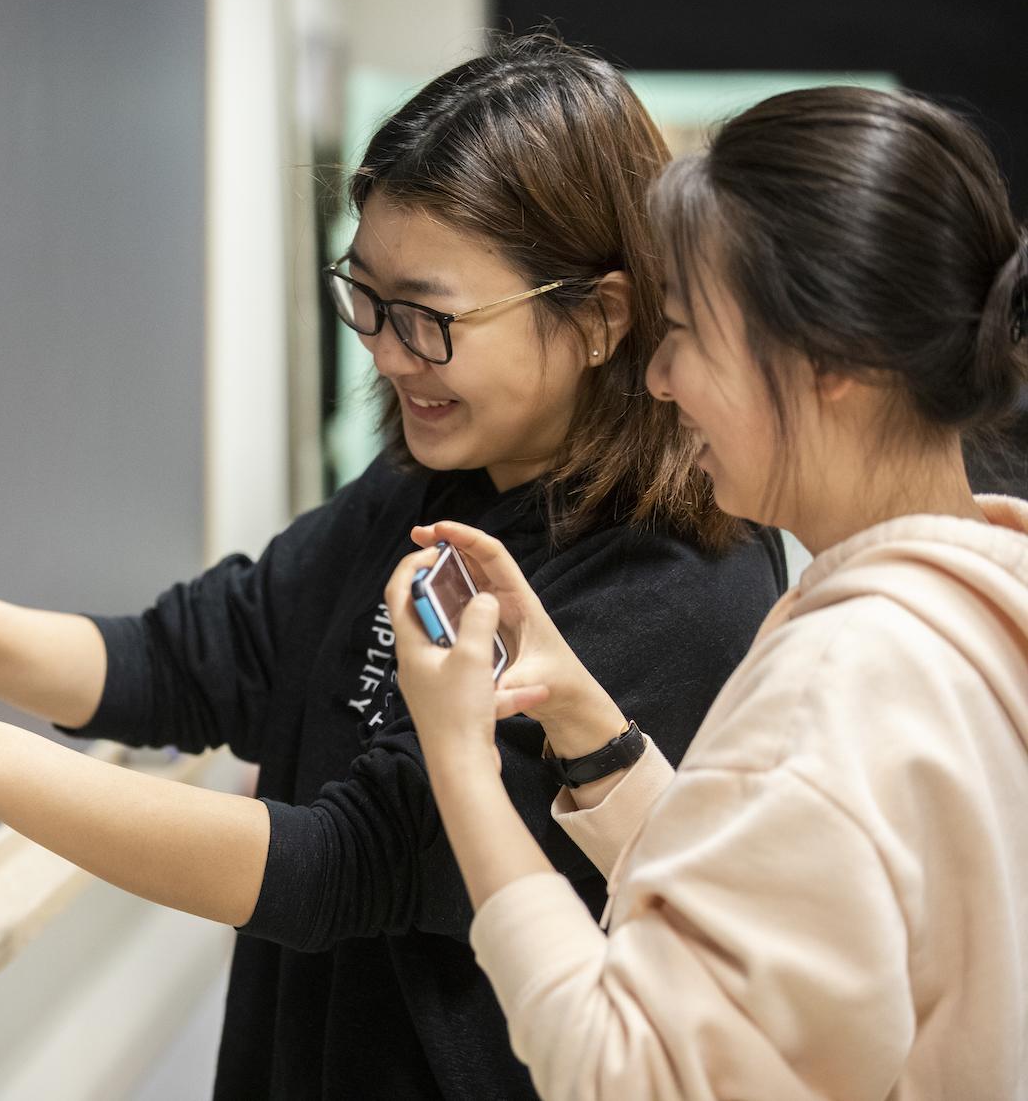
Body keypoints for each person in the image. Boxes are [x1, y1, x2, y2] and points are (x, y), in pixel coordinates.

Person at [0, 36, 787, 1098]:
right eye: (365, 297)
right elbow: (190, 659)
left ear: (597, 316)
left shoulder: (673, 588)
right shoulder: (431, 487)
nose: (387, 352)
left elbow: (338, 866)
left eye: (429, 319)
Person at [390, 85, 1028, 1099]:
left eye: (683, 334)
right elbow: (803, 907)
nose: (657, 379)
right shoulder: (977, 608)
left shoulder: (838, 678)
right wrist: (583, 720)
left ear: (829, 362)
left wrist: (457, 758)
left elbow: (621, 1068)